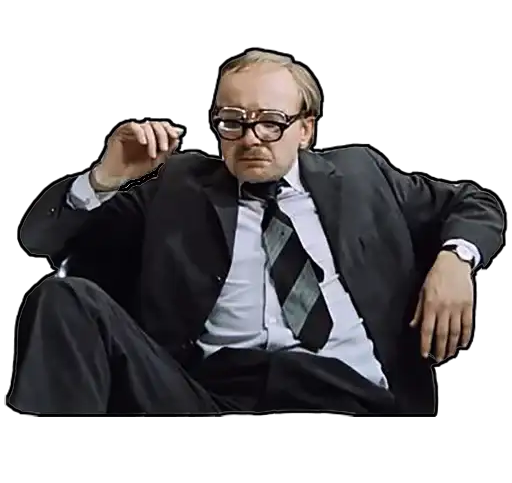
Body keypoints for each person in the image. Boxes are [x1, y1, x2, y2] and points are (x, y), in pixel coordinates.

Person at [12, 51, 504, 414]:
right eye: (233, 122)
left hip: (346, 393)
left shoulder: (361, 175)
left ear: (305, 130)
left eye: (271, 122)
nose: (250, 139)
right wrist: (107, 177)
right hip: (207, 396)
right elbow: (44, 239)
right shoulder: (178, 187)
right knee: (66, 298)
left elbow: (473, 202)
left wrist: (455, 260)